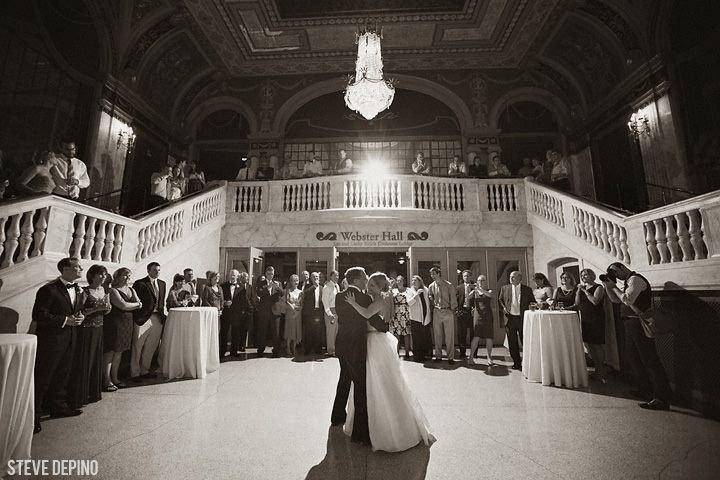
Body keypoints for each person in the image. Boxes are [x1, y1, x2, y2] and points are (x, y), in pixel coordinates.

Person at [342, 272, 436, 452]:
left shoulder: (380, 301)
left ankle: (391, 430)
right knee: (370, 383)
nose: (369, 288)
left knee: (382, 383)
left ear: (380, 287)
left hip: (376, 342)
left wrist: (353, 303)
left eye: (372, 286)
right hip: (372, 340)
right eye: (368, 285)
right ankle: (367, 426)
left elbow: (367, 313)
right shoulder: (376, 298)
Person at [602, 262, 672, 410]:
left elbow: (627, 300)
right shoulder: (628, 282)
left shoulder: (635, 279)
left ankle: (662, 397)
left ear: (622, 267)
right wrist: (608, 286)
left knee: (649, 359)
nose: (616, 276)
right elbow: (616, 300)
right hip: (630, 324)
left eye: (616, 272)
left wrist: (614, 287)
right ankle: (645, 389)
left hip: (639, 324)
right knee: (634, 358)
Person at [330, 267, 388, 446]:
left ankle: (337, 416)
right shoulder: (364, 298)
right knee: (361, 386)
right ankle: (360, 433)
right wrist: (384, 327)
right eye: (364, 278)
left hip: (342, 344)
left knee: (344, 379)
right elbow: (372, 320)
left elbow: (343, 316)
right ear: (355, 280)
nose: (366, 280)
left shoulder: (340, 296)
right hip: (356, 346)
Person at [32, 257, 86, 434]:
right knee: (43, 377)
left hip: (70, 338)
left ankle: (58, 406)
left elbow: (76, 311)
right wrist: (65, 320)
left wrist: (80, 317)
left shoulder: (78, 289)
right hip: (51, 341)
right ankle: (34, 416)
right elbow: (39, 315)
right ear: (65, 269)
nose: (81, 269)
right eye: (77, 267)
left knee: (63, 373)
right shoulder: (48, 290)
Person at [68, 265, 110, 410]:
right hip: (86, 330)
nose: (103, 277)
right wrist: (96, 309)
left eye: (104, 274)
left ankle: (92, 393)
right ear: (92, 276)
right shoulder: (85, 291)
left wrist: (106, 309)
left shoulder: (103, 290)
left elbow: (106, 310)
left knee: (95, 361)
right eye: (100, 274)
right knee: (85, 361)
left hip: (99, 328)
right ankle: (80, 396)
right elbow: (79, 313)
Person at [104, 268, 142, 392]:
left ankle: (115, 378)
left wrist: (133, 305)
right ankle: (106, 380)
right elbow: (122, 305)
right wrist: (135, 305)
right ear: (118, 276)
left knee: (119, 352)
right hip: (115, 323)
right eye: (125, 275)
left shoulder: (131, 289)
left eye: (129, 275)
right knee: (110, 352)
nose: (128, 278)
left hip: (127, 323)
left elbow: (138, 303)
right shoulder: (113, 290)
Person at [131, 262, 167, 379]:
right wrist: (138, 317)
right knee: (138, 346)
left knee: (151, 346)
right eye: (155, 270)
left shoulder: (162, 284)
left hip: (157, 318)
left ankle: (145, 371)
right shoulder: (140, 283)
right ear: (148, 271)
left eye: (159, 270)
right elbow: (135, 301)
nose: (157, 272)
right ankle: (135, 373)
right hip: (143, 319)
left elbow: (161, 301)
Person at [576, 268, 608, 383]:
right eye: (582, 275)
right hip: (585, 319)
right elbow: (577, 303)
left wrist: (585, 291)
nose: (584, 277)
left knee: (597, 345)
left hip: (596, 319)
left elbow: (595, 301)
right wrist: (578, 291)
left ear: (592, 276)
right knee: (588, 345)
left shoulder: (598, 287)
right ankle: (597, 370)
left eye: (586, 275)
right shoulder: (583, 288)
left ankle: (602, 371)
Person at [498, 271, 533, 369]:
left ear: (519, 278)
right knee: (512, 342)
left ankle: (527, 362)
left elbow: (532, 301)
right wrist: (504, 308)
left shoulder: (527, 289)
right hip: (510, 319)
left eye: (513, 277)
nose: (511, 278)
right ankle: (516, 363)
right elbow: (500, 300)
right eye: (510, 277)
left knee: (525, 340)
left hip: (522, 318)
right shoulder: (505, 288)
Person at [428, 267, 458, 364]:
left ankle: (450, 357)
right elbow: (430, 295)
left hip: (447, 311)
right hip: (437, 311)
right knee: (437, 335)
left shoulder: (448, 285)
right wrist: (432, 301)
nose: (432, 276)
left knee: (449, 336)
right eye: (431, 274)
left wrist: (451, 309)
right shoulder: (431, 286)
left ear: (438, 273)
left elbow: (453, 299)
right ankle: (438, 356)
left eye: (434, 274)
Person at [220, 270, 253, 356]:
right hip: (226, 313)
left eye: (234, 275)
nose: (232, 276)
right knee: (224, 332)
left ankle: (233, 352)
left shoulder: (242, 287)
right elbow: (219, 298)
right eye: (231, 275)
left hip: (236, 314)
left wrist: (246, 311)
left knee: (235, 333)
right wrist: (224, 303)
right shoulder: (223, 286)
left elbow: (244, 301)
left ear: (237, 276)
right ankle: (222, 351)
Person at [254, 266, 283, 357]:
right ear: (266, 274)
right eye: (269, 274)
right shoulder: (261, 283)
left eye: (272, 274)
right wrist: (267, 286)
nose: (270, 275)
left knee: (276, 332)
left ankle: (276, 351)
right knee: (262, 331)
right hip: (264, 311)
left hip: (275, 311)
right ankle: (260, 350)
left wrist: (278, 288)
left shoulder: (277, 283)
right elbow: (259, 293)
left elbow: (282, 294)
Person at [467, 275, 495, 366]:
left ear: (485, 281)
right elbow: (468, 297)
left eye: (483, 280)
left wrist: (480, 289)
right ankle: (471, 357)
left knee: (489, 337)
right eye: (479, 280)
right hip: (477, 316)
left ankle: (489, 357)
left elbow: (489, 295)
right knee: (476, 336)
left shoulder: (489, 290)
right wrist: (471, 289)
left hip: (488, 316)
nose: (481, 282)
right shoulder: (474, 291)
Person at [405, 275, 432, 362]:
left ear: (420, 282)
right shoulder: (410, 291)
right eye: (412, 281)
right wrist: (416, 295)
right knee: (417, 338)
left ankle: (424, 355)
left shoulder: (426, 289)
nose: (413, 282)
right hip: (415, 318)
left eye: (415, 280)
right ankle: (417, 356)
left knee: (424, 337)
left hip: (425, 317)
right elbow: (409, 303)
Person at [302, 272, 324, 355]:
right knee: (309, 331)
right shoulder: (308, 287)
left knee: (318, 331)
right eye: (314, 277)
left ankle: (317, 349)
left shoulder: (322, 288)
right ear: (311, 278)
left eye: (317, 276)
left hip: (319, 312)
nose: (316, 278)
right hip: (310, 313)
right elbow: (305, 295)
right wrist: (314, 286)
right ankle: (308, 349)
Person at [390, 276, 412, 358]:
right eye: (398, 281)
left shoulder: (408, 290)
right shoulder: (393, 290)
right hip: (396, 313)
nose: (399, 282)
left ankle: (407, 352)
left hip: (405, 313)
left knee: (406, 333)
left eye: (401, 281)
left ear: (404, 281)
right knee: (397, 333)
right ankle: (396, 352)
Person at [455, 270, 474, 360]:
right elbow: (456, 300)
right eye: (465, 276)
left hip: (472, 312)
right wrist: (457, 311)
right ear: (462, 277)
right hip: (462, 312)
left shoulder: (475, 287)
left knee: (473, 333)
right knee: (461, 333)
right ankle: (462, 353)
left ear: (470, 277)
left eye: (468, 276)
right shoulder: (459, 288)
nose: (466, 277)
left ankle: (474, 353)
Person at [283, 274, 303, 356]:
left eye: (297, 280)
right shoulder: (288, 291)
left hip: (297, 314)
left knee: (296, 330)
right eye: (294, 280)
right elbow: (287, 301)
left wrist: (297, 311)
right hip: (290, 313)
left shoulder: (300, 292)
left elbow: (301, 303)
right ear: (291, 281)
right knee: (289, 330)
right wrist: (292, 308)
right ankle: (288, 347)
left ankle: (294, 348)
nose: (296, 282)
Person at [322, 270, 340, 356]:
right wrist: (329, 314)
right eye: (335, 276)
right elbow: (325, 302)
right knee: (330, 331)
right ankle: (330, 350)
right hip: (330, 310)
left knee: (336, 331)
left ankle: (336, 349)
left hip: (337, 310)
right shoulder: (327, 287)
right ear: (331, 276)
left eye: (338, 276)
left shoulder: (337, 286)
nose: (337, 277)